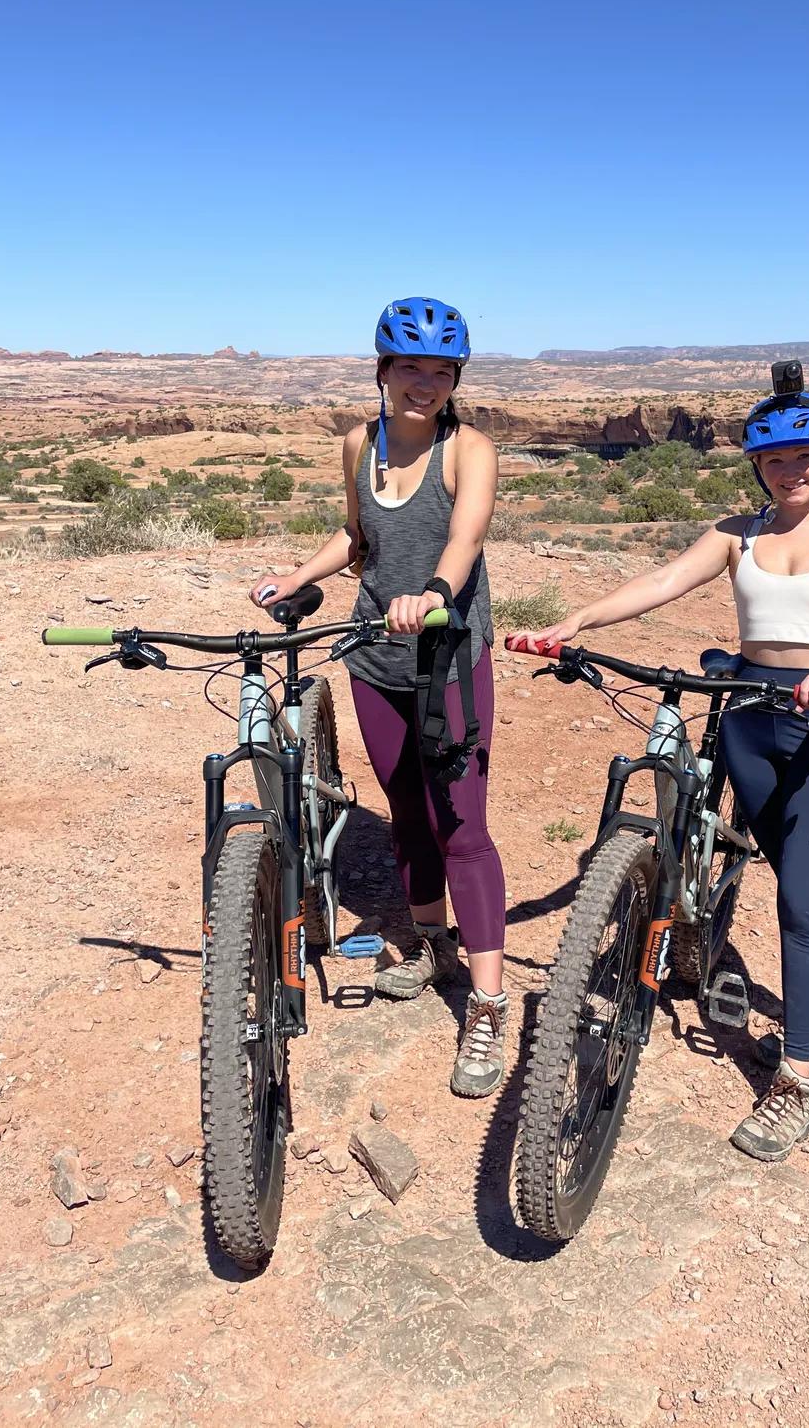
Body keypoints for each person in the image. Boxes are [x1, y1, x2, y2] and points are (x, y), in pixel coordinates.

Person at [516, 373, 809, 1161]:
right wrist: (578, 617)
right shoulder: (736, 536)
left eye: (807, 457)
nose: (792, 471)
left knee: (802, 895)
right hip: (750, 718)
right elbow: (662, 582)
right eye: (776, 459)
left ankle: (796, 1077)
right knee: (776, 865)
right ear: (757, 467)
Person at [250, 297, 510, 1099]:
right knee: (403, 806)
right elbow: (357, 539)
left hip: (447, 656)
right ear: (383, 370)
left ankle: (490, 1002)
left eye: (440, 370)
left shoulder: (469, 449)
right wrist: (299, 575)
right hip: (376, 659)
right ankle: (431, 943)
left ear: (455, 377)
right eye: (409, 367)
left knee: (460, 821)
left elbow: (463, 538)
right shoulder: (359, 445)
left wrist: (432, 590)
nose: (423, 383)